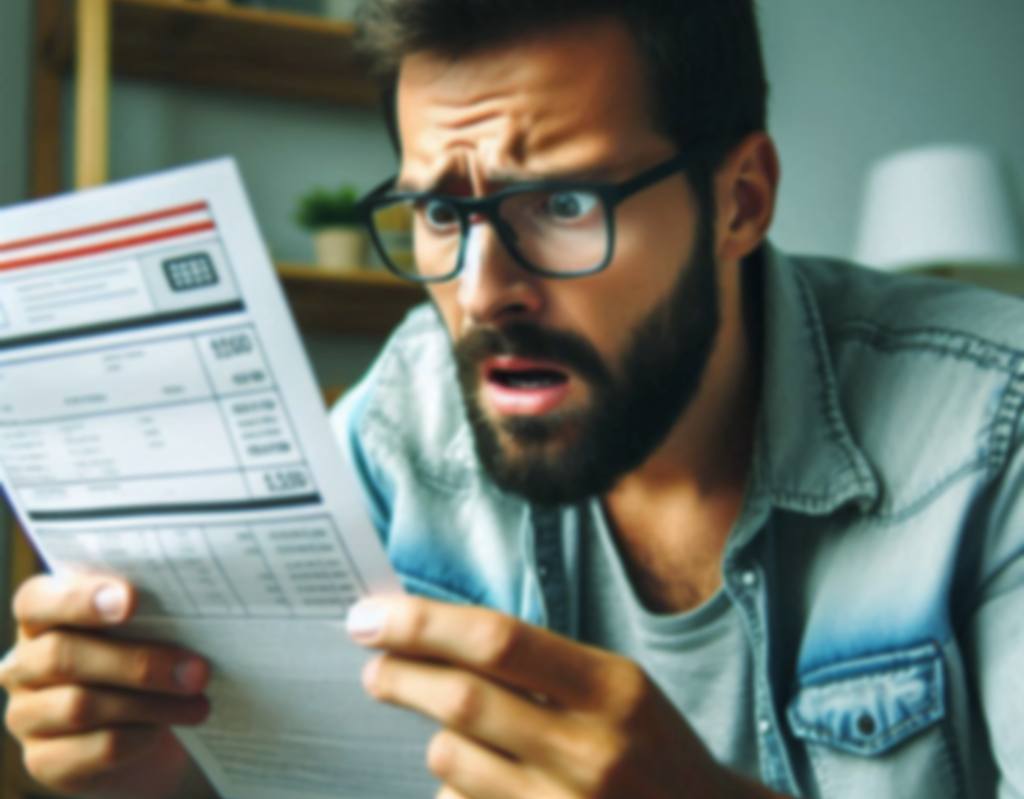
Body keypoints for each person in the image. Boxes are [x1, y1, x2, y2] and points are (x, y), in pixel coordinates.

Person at [3, 1, 1023, 797]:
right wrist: (162, 771)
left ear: (739, 199)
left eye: (566, 203)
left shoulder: (992, 430)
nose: (484, 290)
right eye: (442, 211)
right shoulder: (403, 416)